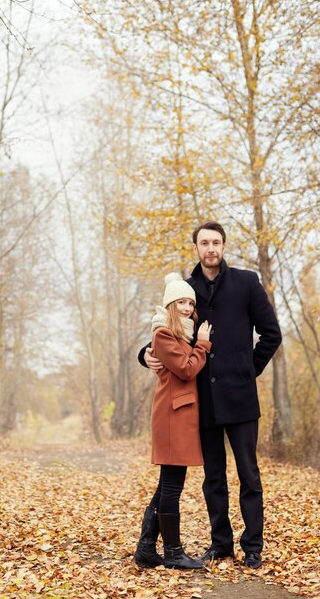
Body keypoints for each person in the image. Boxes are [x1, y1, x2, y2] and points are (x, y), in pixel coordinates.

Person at [138, 222, 282, 570]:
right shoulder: (187, 289)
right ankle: (221, 545)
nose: (211, 248)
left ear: (224, 245)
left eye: (216, 242)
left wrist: (249, 369)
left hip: (241, 398)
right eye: (204, 242)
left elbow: (271, 334)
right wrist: (143, 353)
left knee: (249, 474)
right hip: (203, 401)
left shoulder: (246, 282)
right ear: (196, 247)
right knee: (213, 476)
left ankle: (252, 547)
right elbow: (170, 331)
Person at [134, 272, 212, 570]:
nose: (187, 308)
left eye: (190, 303)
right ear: (169, 305)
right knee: (171, 488)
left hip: (180, 415)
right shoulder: (163, 334)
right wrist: (203, 345)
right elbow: (186, 370)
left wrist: (196, 341)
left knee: (167, 485)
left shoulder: (181, 334)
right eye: (180, 302)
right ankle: (173, 552)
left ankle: (145, 550)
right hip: (171, 416)